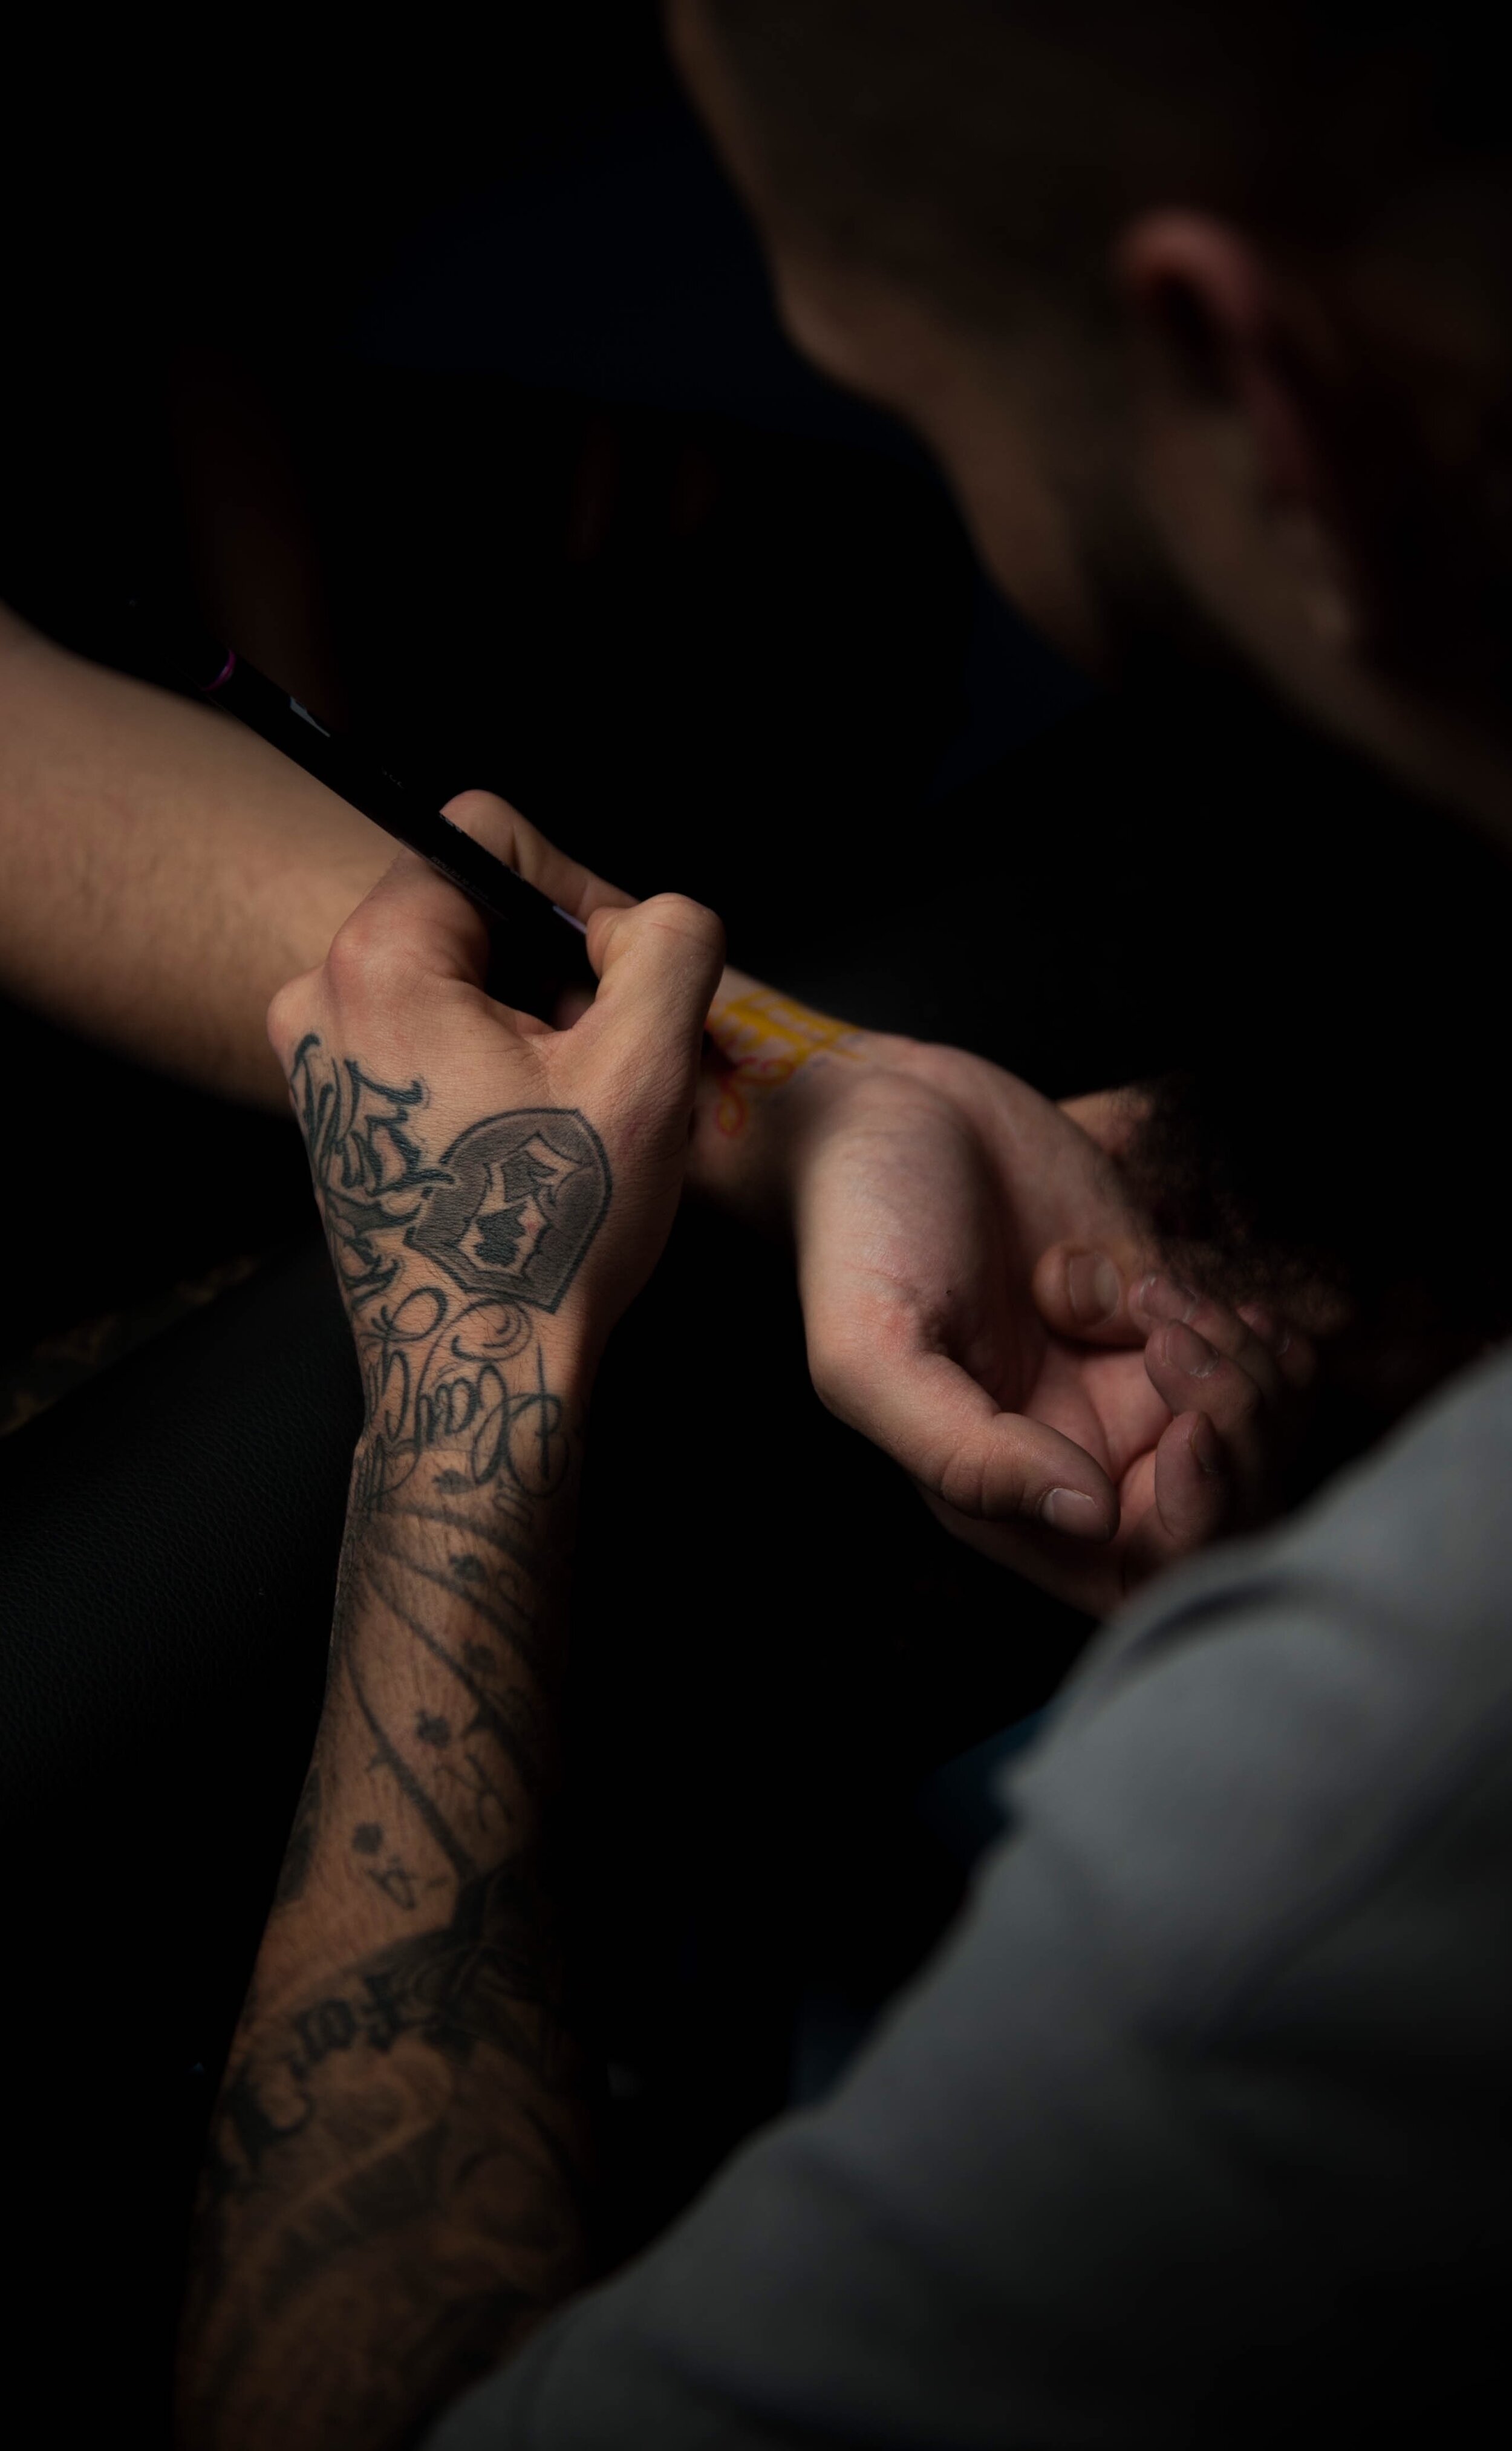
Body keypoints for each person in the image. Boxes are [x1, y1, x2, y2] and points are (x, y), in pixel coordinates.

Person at [152, 2, 1512, 2443]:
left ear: (1253, 401)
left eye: (897, 386)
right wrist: (873, 1087)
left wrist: (466, 1421)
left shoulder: (1329, 1827)